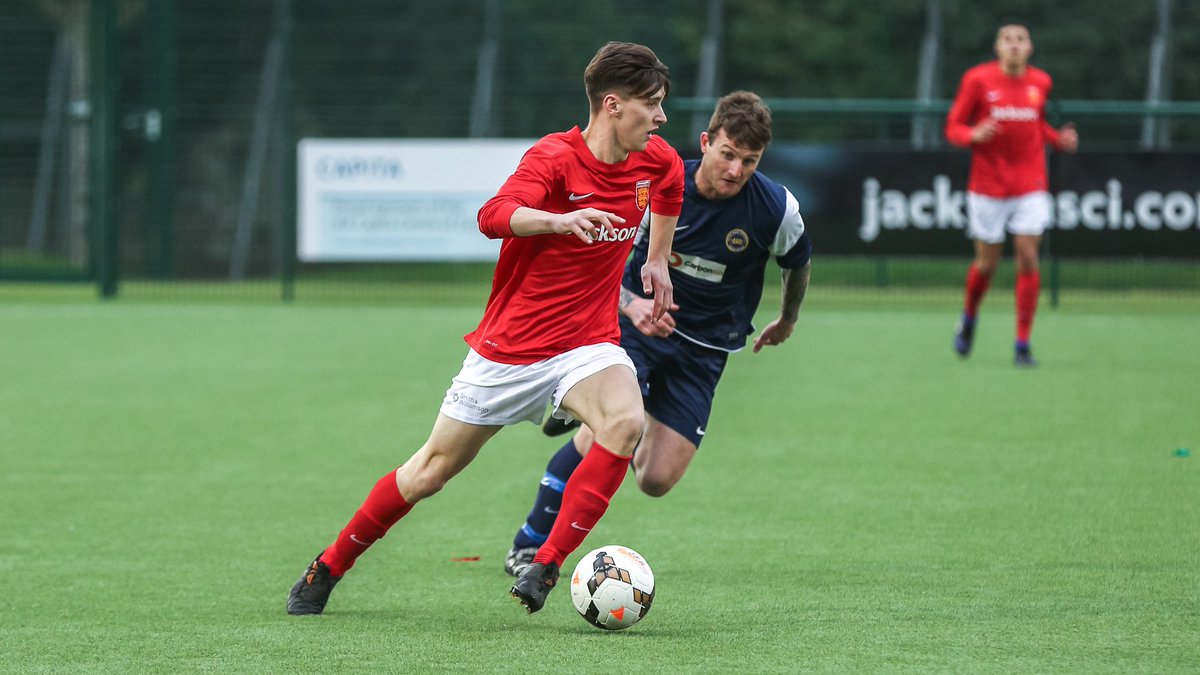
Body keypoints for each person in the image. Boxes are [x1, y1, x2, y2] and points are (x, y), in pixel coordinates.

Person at [286, 41, 685, 616]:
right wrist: (558, 218)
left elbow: (669, 189)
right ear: (614, 105)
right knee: (428, 473)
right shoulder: (554, 158)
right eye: (653, 105)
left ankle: (545, 564)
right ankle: (328, 566)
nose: (662, 117)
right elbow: (492, 216)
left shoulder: (657, 160)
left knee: (625, 422)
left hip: (586, 345)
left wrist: (655, 258)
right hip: (510, 351)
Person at [502, 91, 812, 577]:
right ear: (707, 142)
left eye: (749, 161)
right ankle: (531, 543)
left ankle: (603, 417)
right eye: (728, 154)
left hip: (707, 347)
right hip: (633, 329)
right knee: (610, 430)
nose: (735, 170)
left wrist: (788, 318)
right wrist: (632, 304)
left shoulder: (776, 209)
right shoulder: (658, 184)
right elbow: (607, 261)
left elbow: (798, 264)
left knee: (656, 479)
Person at [945, 19, 1078, 366]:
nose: (1015, 44)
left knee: (1028, 256)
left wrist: (1057, 140)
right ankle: (970, 317)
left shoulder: (1040, 82)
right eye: (1008, 39)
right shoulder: (978, 79)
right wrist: (972, 135)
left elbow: (1036, 123)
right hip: (987, 186)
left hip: (1030, 184)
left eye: (1021, 39)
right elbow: (954, 126)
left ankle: (1022, 344)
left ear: (1030, 47)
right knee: (987, 263)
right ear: (998, 47)